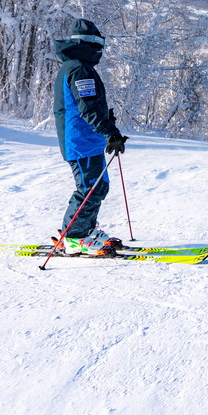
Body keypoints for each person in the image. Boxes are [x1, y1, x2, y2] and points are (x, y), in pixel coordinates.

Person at [51, 18, 129, 254]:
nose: (100, 51)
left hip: (88, 139)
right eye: (98, 46)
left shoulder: (78, 66)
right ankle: (74, 237)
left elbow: (90, 104)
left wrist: (108, 122)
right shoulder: (78, 69)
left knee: (99, 186)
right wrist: (110, 132)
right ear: (88, 45)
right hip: (79, 140)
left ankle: (86, 228)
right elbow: (87, 108)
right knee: (89, 189)